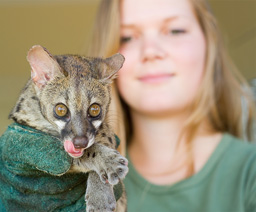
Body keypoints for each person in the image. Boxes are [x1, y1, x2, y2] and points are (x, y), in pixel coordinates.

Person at [87, 0, 256, 211]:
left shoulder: (250, 176)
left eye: (175, 31)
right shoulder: (74, 184)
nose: (151, 51)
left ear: (208, 42)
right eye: (127, 37)